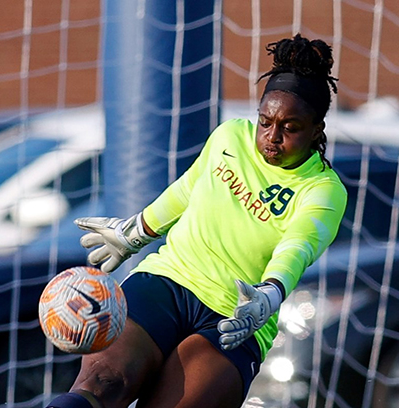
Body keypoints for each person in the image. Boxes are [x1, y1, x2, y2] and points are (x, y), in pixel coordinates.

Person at [46, 33, 347, 408]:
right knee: (101, 385)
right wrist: (135, 232)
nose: (271, 136)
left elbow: (297, 246)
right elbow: (188, 190)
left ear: (317, 129)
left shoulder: (323, 189)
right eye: (265, 121)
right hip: (166, 282)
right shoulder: (231, 136)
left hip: (235, 318)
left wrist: (269, 295)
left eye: (290, 127)